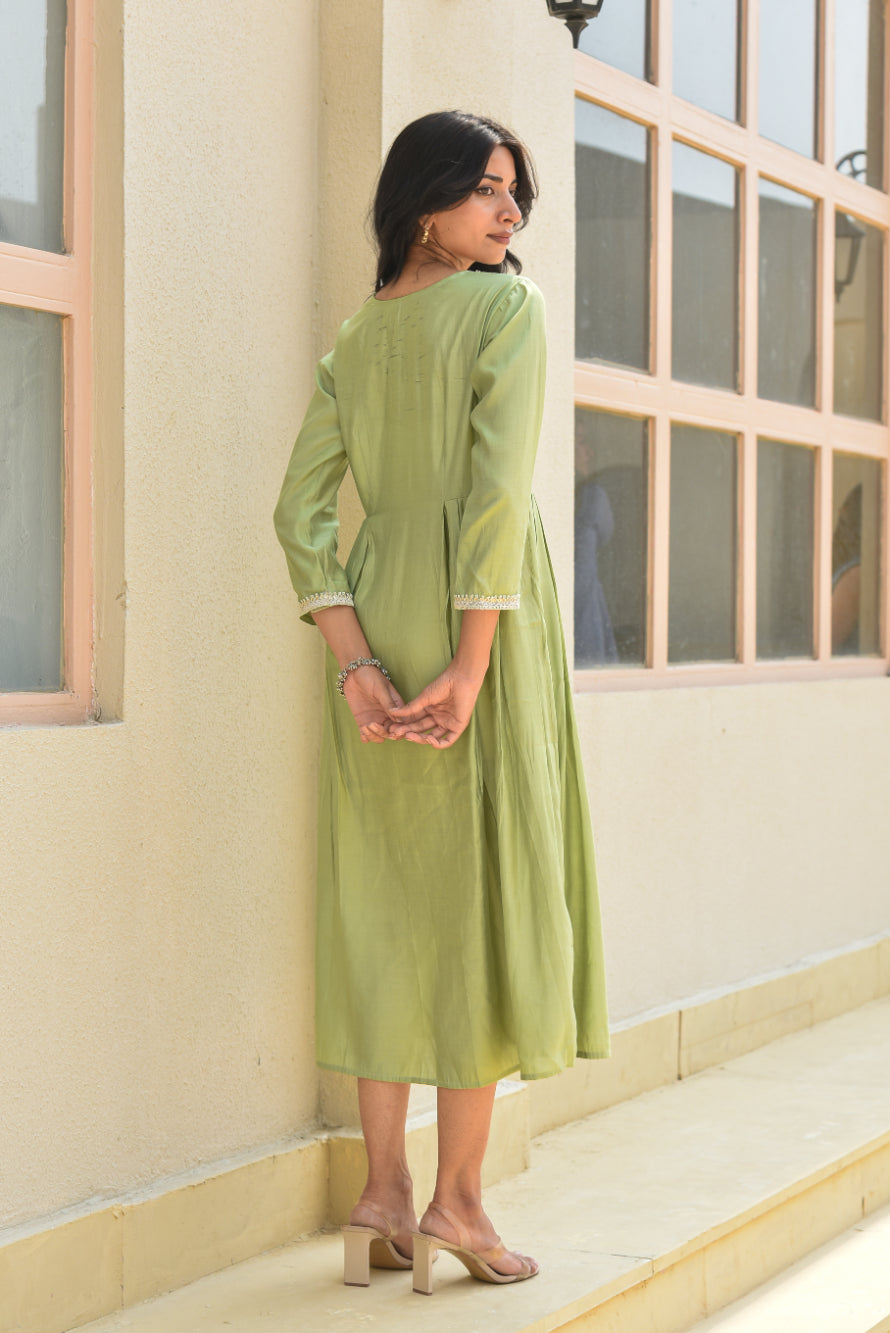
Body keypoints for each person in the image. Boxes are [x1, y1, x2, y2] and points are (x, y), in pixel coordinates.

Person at [273, 110, 609, 1296]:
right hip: (479, 618)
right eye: (482, 190)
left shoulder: (358, 340)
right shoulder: (504, 311)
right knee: (470, 904)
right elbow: (492, 497)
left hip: (371, 623)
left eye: (514, 191)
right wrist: (468, 665)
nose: (509, 213)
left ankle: (380, 1189)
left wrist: (357, 661)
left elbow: (299, 515)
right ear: (422, 203)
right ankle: (458, 1202)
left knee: (381, 895)